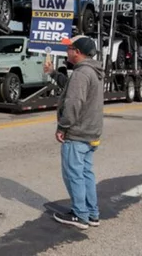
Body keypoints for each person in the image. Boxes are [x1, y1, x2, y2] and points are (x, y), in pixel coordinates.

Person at [44, 35, 104, 230]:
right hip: (90, 133)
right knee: (85, 174)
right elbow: (70, 89)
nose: (66, 51)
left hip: (77, 133)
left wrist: (63, 127)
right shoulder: (90, 71)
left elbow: (73, 102)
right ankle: (92, 214)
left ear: (77, 52)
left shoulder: (81, 74)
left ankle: (80, 215)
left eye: (69, 48)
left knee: (73, 175)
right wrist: (53, 72)